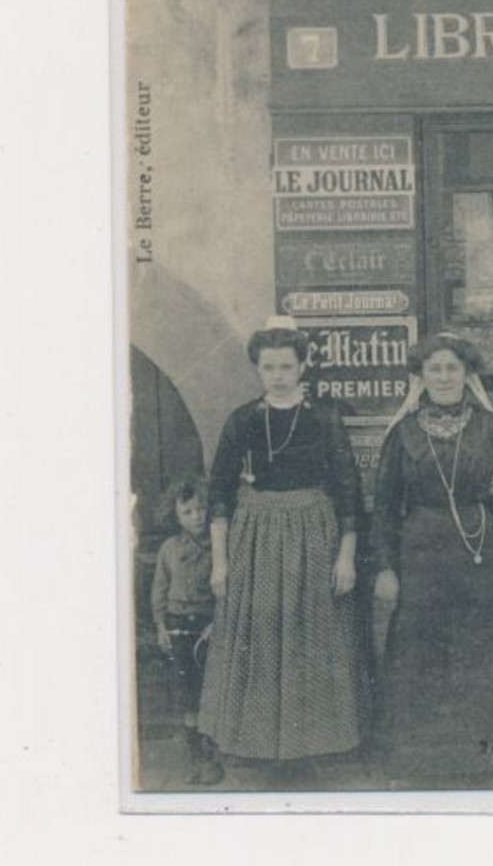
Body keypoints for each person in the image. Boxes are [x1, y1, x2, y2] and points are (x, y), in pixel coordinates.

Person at [200, 316, 368, 779]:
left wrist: (346, 554)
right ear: (258, 368)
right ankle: (255, 743)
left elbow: (347, 488)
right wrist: (220, 561)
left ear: (302, 367)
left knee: (311, 635)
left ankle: (310, 743)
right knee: (261, 639)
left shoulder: (324, 417)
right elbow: (219, 491)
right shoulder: (243, 420)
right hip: (254, 538)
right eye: (268, 366)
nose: (277, 374)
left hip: (315, 533)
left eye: (286, 366)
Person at [372, 332, 493, 783]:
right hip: (421, 555)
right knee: (422, 654)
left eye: (453, 369)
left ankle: (487, 761)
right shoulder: (403, 434)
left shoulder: (491, 427)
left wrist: (485, 509)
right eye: (435, 369)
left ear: (467, 375)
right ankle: (424, 762)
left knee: (482, 651)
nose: (445, 378)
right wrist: (387, 567)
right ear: (421, 377)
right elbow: (385, 506)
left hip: (478, 554)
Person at [150, 473, 222, 785]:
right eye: (187, 512)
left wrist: (217, 624)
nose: (195, 516)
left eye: (200, 509)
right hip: (178, 629)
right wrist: (160, 627)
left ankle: (211, 757)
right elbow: (159, 591)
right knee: (187, 692)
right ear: (175, 515)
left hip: (208, 628)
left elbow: (224, 592)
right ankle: (194, 757)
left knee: (210, 689)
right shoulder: (168, 549)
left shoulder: (217, 547)